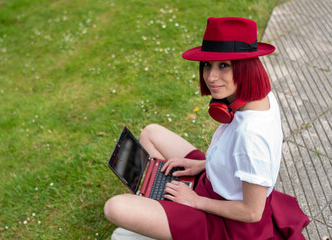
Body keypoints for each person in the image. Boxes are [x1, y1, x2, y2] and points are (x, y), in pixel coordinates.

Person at [104, 17, 310, 240]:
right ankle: (161, 199)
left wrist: (195, 201)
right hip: (212, 184)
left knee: (114, 207)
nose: (211, 77)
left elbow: (252, 212)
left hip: (228, 224)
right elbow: (235, 156)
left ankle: (166, 208)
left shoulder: (251, 135)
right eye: (207, 65)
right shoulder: (260, 97)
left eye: (224, 65)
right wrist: (204, 164)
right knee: (150, 133)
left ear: (246, 66)